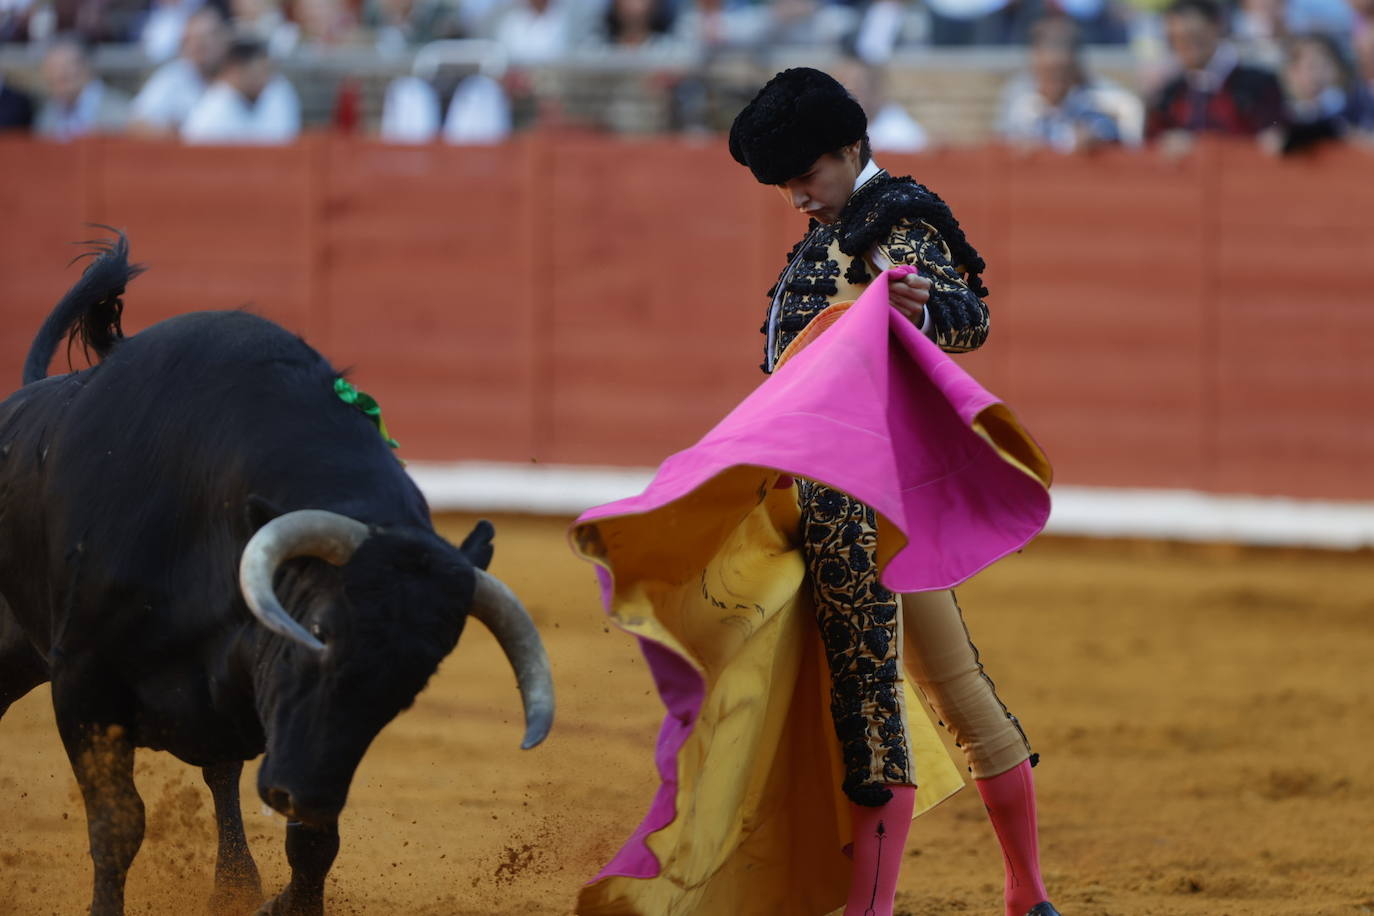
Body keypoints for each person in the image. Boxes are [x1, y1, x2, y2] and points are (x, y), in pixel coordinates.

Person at [727, 67, 1061, 916]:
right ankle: (1028, 895)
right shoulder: (842, 221)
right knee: (956, 688)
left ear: (849, 150)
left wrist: (920, 308)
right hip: (860, 498)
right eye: (784, 184)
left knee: (868, 708)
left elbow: (963, 312)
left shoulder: (889, 218)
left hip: (852, 505)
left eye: (805, 176)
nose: (797, 197)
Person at [1145, 0, 1287, 151]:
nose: (1185, 46)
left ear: (1217, 27)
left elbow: (1275, 140)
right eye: (1176, 39)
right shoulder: (1169, 95)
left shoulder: (1259, 85)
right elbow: (1151, 145)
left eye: (1194, 36)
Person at [999, 14, 1142, 150]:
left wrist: (1094, 138)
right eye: (1048, 73)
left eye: (1061, 73)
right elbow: (1004, 141)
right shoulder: (1020, 98)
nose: (1054, 81)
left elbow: (1115, 137)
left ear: (1074, 68)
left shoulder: (1096, 102)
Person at [128, 6, 230, 137]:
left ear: (224, 37)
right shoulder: (173, 76)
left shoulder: (239, 74)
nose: (199, 46)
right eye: (192, 39)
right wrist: (183, 133)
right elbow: (136, 124)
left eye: (207, 37)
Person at [180, 35, 300, 143]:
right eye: (259, 71)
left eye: (267, 70)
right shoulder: (210, 111)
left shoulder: (277, 90)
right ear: (236, 69)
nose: (265, 78)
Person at [34, 35, 131, 140]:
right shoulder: (47, 114)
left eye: (66, 66)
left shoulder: (121, 112)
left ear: (87, 66)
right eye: (52, 68)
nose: (58, 74)